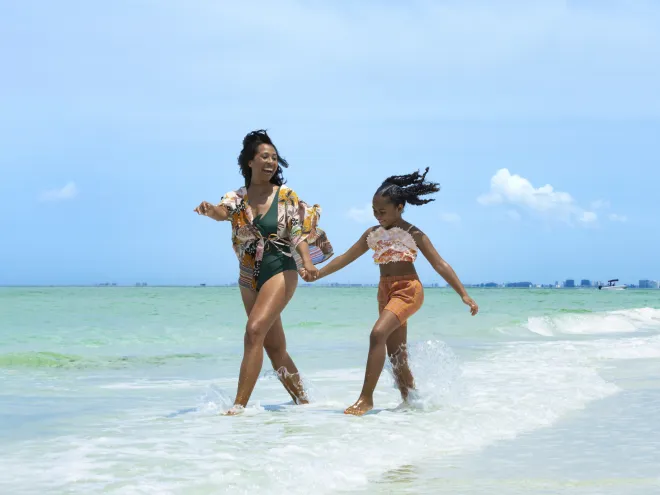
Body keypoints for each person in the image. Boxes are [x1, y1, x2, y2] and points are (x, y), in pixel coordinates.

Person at [303, 168, 478, 416]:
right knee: (396, 355)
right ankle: (413, 403)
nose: (378, 216)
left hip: (408, 290)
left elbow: (440, 264)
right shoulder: (372, 234)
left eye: (382, 211)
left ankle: (366, 399)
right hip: (385, 291)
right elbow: (345, 258)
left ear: (399, 207)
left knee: (377, 334)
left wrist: (463, 294)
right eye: (374, 211)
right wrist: (318, 274)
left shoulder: (413, 233)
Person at [195, 130, 333, 414]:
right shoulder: (237, 197)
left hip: (281, 267)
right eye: (264, 157)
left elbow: (298, 232)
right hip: (248, 274)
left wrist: (307, 263)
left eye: (274, 158)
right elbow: (224, 212)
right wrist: (210, 210)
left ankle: (238, 407)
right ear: (250, 162)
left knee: (254, 331)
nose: (271, 162)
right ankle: (304, 404)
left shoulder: (285, 195)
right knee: (274, 348)